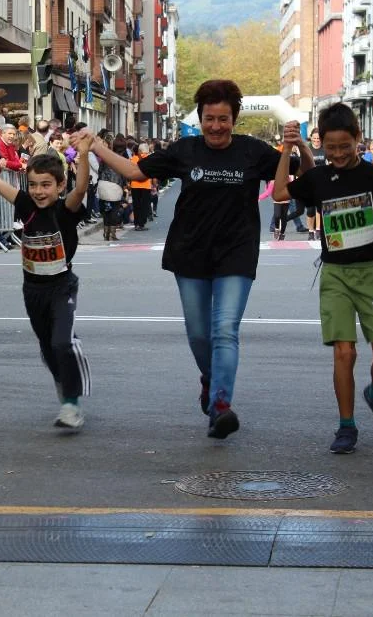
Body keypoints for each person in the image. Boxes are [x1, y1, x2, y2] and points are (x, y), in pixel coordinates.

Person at [73, 79, 312, 439]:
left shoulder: (253, 151)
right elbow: (135, 172)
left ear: (234, 120)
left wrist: (301, 145)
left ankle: (221, 406)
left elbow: (301, 173)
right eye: (209, 119)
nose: (216, 126)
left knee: (225, 330)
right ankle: (210, 379)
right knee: (200, 334)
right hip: (190, 252)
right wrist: (96, 146)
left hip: (236, 252)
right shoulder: (185, 150)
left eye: (223, 119)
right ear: (200, 119)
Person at [272, 103, 373, 454]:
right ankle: (346, 426)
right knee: (344, 353)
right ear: (322, 143)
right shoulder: (319, 178)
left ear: (357, 138)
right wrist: (288, 148)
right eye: (330, 148)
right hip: (334, 275)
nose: (337, 154)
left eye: (344, 146)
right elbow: (279, 193)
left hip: (371, 274)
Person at [0, 142, 92, 428]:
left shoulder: (65, 209)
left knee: (62, 342)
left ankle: (72, 402)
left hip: (62, 286)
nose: (39, 191)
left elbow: (80, 189)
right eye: (33, 185)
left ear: (60, 186)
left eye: (46, 185)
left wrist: (83, 154)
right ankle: (62, 382)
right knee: (47, 346)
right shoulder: (25, 205)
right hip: (33, 291)